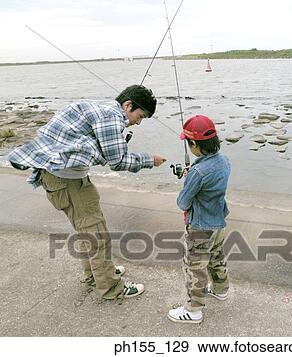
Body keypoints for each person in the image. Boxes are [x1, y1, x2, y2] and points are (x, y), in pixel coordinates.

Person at [7, 84, 166, 301]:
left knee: (86, 231)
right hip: (68, 181)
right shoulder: (112, 117)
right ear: (128, 105)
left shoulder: (96, 108)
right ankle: (111, 288)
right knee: (97, 234)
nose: (138, 122)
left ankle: (96, 274)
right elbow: (117, 162)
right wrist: (151, 160)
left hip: (57, 177)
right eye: (140, 116)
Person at [168, 115, 231, 324]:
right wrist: (192, 175)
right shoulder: (224, 161)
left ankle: (194, 310)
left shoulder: (197, 172)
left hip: (200, 227)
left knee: (194, 266)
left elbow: (183, 203)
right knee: (216, 257)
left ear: (194, 144)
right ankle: (221, 290)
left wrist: (189, 178)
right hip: (219, 222)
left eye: (189, 143)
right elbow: (209, 182)